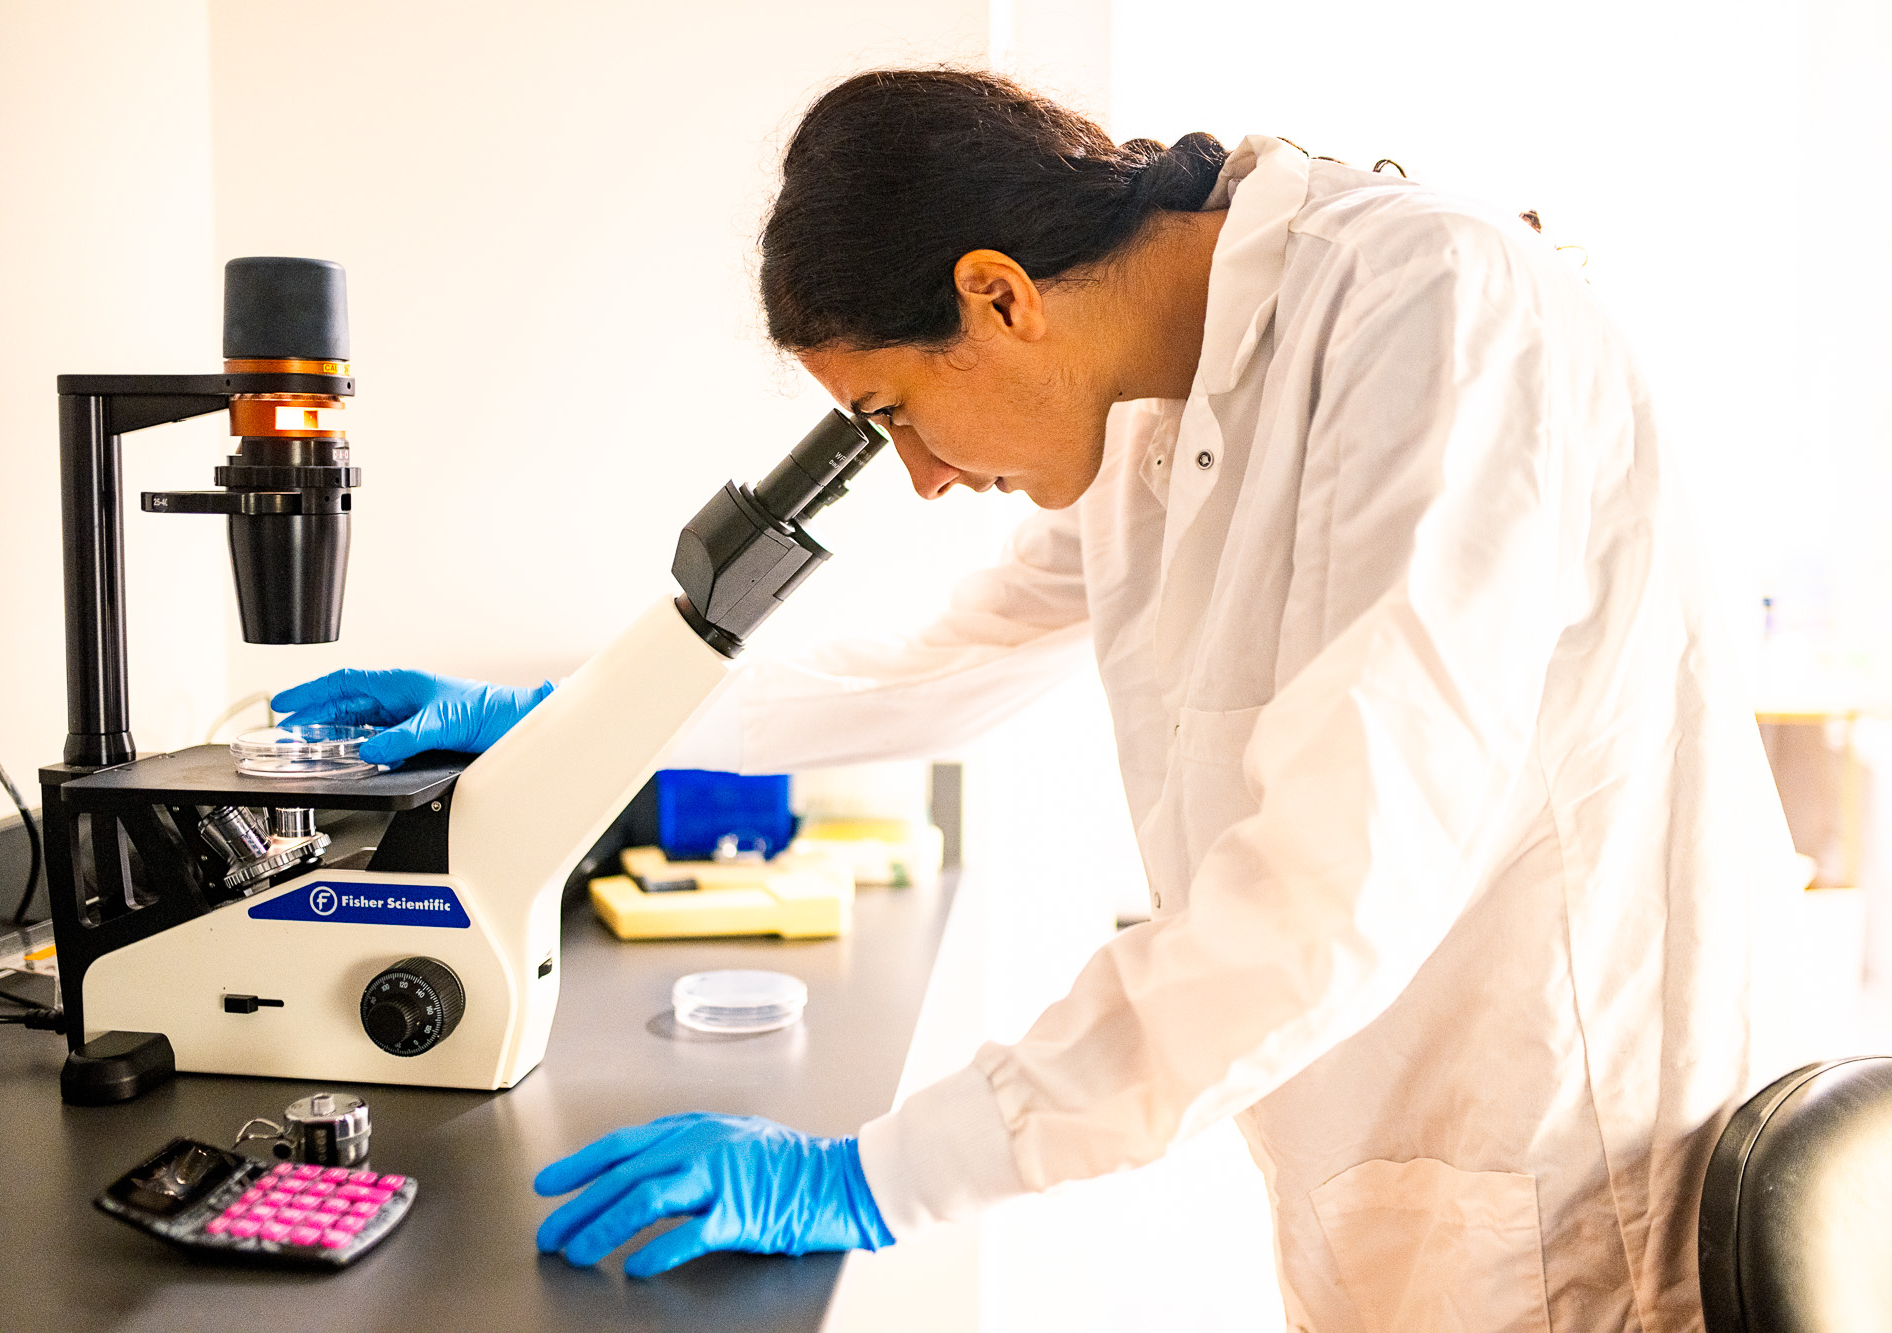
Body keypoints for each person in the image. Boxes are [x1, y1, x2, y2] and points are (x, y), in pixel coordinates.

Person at [274, 69, 1802, 1328]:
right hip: (1388, 1156)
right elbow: (922, 673)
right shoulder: (1154, 421)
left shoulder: (1438, 313)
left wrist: (876, 1173)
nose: (926, 477)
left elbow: (1330, 892)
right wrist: (554, 722)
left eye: (894, 416)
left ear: (998, 297)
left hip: (1555, 1160)